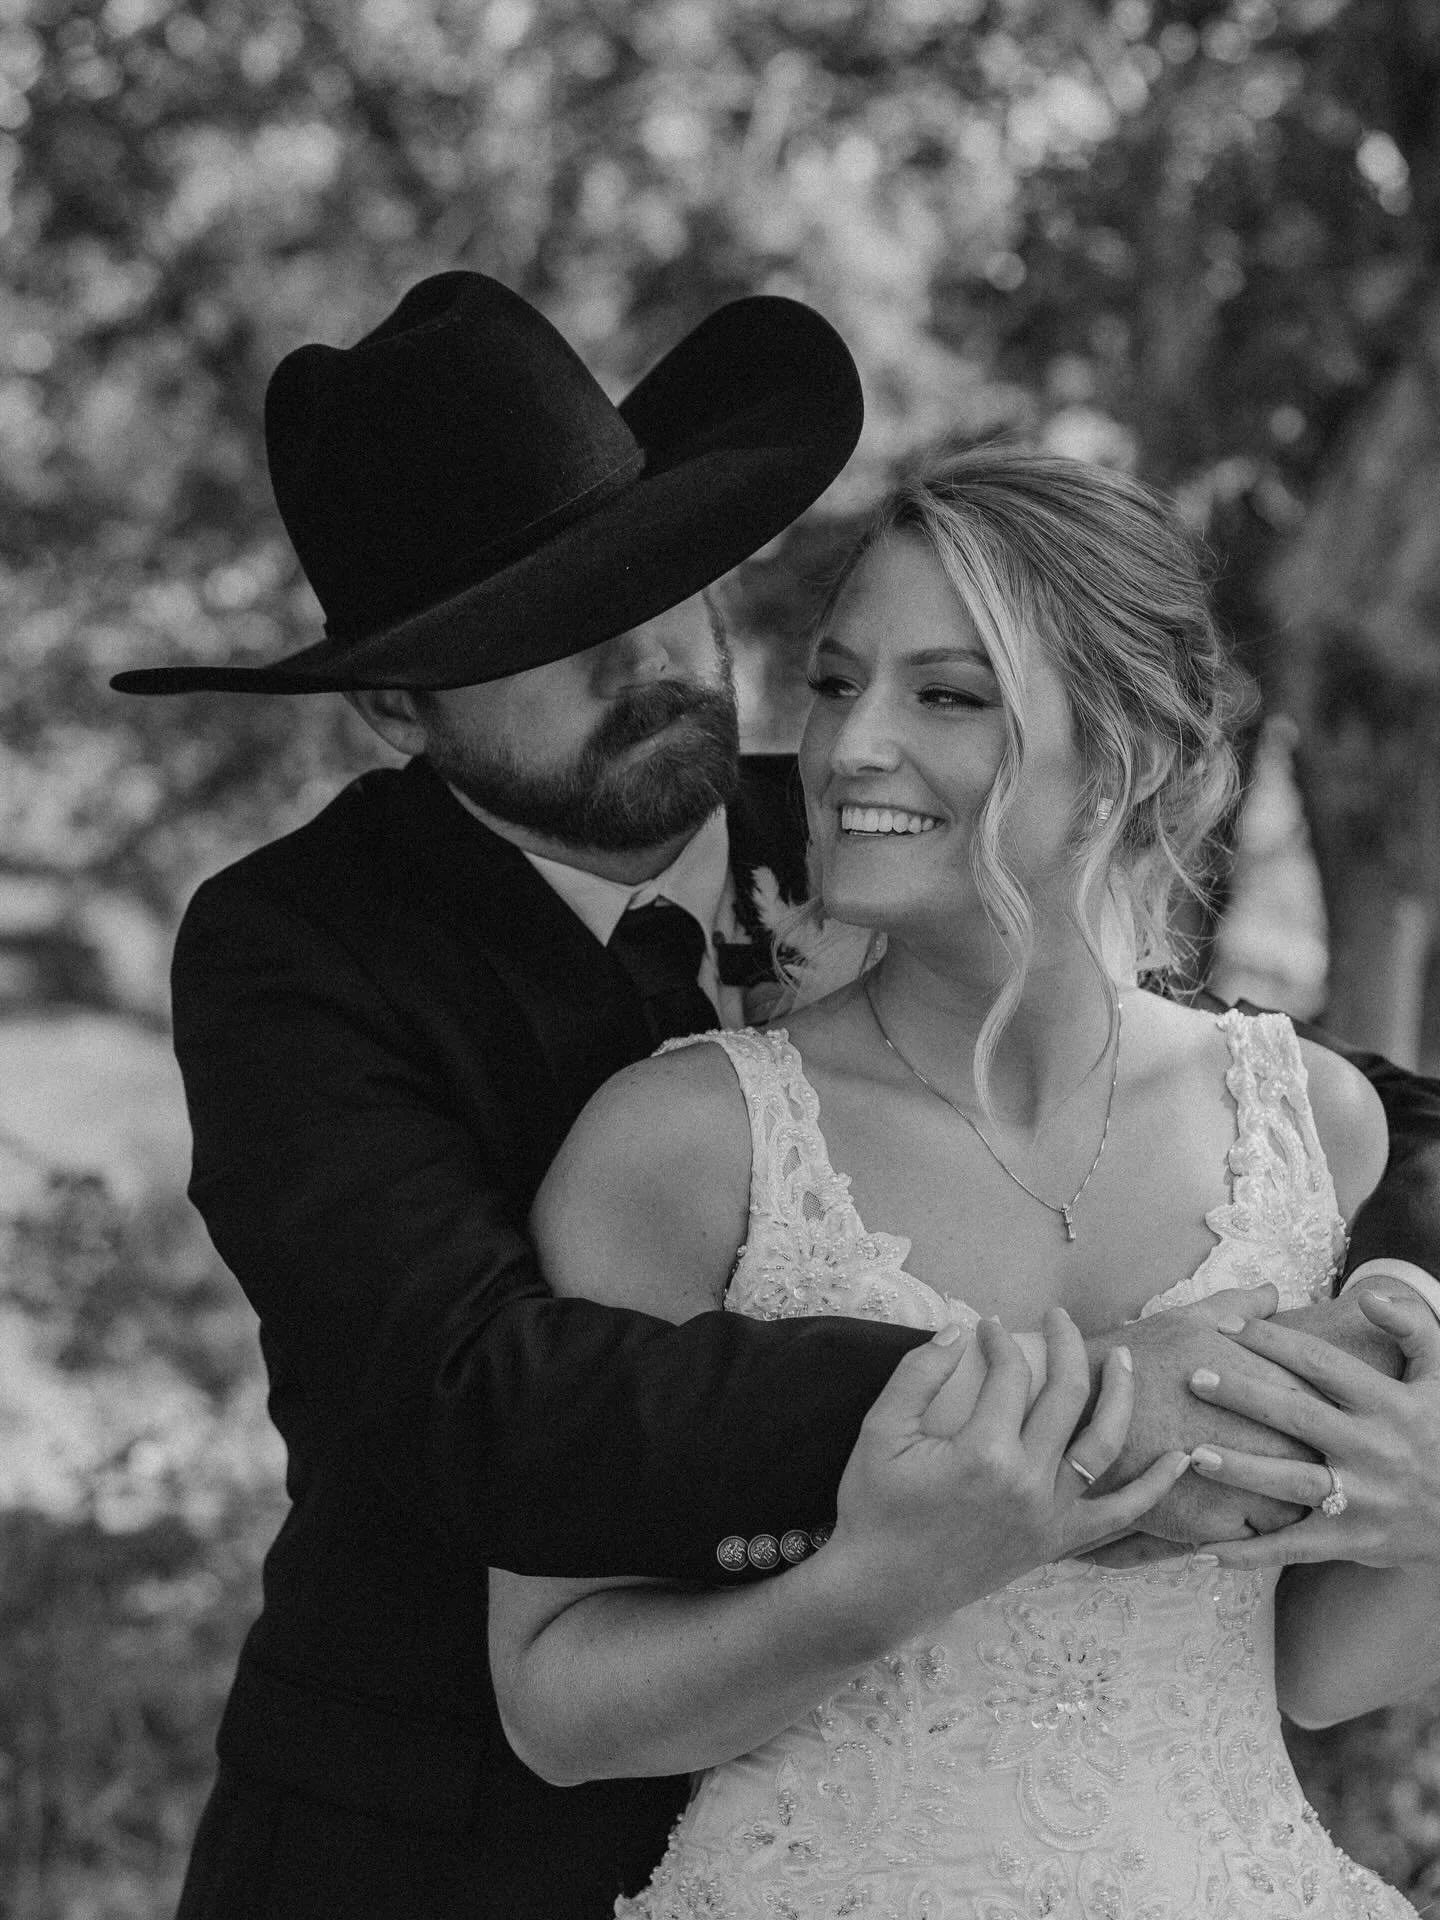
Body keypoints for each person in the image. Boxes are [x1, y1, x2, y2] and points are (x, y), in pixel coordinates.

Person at [111, 278, 1440, 1917]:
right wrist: (1085, 1411)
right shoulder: (299, 951)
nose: (650, 657)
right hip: (444, 1835)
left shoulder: (859, 832)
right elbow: (477, 1391)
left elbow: (1138, 1036)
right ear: (397, 709)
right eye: (546, 631)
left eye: (662, 586)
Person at [488, 446, 1440, 1915]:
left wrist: (1434, 1514)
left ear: (1131, 746)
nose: (850, 746)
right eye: (833, 682)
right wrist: (894, 1574)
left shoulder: (1311, 1123)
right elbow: (555, 1706)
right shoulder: (684, 1150)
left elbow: (1312, 1673)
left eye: (948, 694)